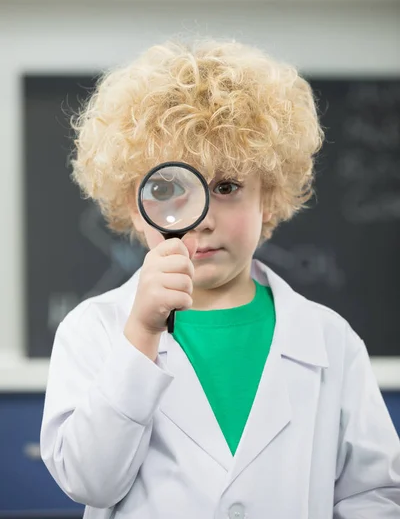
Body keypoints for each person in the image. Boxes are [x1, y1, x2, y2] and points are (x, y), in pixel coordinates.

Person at [40, 39, 400, 519]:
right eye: (168, 189)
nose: (200, 218)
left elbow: (374, 494)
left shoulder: (332, 341)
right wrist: (142, 334)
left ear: (268, 198)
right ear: (134, 205)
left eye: (226, 187)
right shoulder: (94, 331)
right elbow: (90, 481)